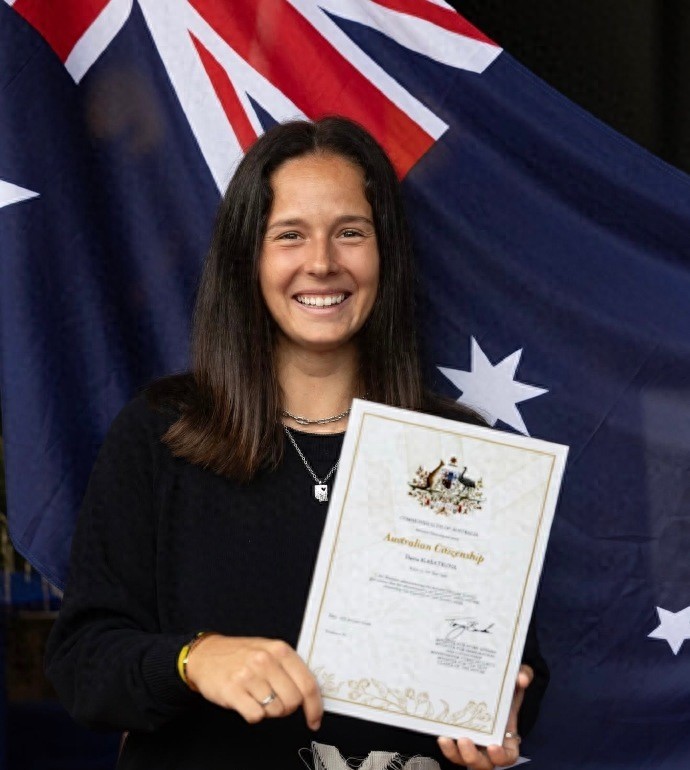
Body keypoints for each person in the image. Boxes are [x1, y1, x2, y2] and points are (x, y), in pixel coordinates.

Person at [45, 116, 549, 770]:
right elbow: (84, 666)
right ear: (247, 257)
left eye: (350, 233)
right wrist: (194, 658)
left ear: (384, 254)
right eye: (290, 235)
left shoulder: (458, 453)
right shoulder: (161, 432)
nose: (322, 263)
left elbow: (518, 669)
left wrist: (504, 716)